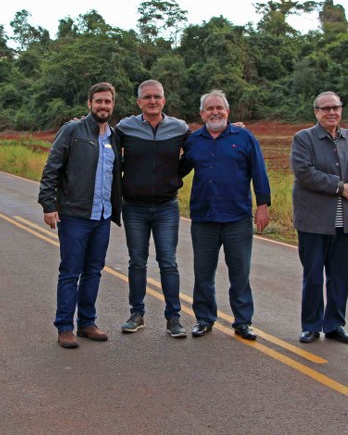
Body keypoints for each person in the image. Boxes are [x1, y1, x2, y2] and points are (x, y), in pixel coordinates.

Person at [179, 89, 271, 340]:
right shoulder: (193, 140)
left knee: (240, 272)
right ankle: (204, 319)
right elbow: (178, 171)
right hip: (204, 217)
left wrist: (262, 206)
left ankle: (243, 321)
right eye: (209, 108)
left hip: (237, 217)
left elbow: (259, 172)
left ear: (228, 112)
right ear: (201, 114)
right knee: (203, 272)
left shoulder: (244, 137)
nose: (215, 112)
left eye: (219, 108)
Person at [38, 82, 122, 349]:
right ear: (90, 104)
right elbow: (52, 166)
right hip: (74, 215)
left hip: (102, 217)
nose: (103, 106)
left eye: (107, 102)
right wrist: (48, 204)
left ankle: (87, 323)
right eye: (99, 101)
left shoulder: (115, 137)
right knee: (70, 272)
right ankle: (65, 327)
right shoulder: (73, 130)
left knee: (94, 271)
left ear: (113, 105)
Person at [290, 91, 348, 345]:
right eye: (325, 109)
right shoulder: (304, 139)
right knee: (313, 275)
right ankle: (311, 325)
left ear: (341, 110)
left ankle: (335, 324)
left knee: (340, 275)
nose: (331, 112)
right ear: (316, 112)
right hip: (313, 221)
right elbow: (304, 172)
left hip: (345, 221)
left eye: (335, 107)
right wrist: (339, 186)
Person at [115, 80, 191, 338]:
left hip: (166, 207)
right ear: (139, 102)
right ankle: (136, 314)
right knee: (137, 262)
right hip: (134, 206)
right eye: (147, 97)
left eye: (157, 96)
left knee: (168, 262)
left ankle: (174, 318)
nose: (152, 101)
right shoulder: (125, 127)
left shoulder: (179, 128)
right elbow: (108, 148)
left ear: (164, 100)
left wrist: (174, 178)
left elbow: (195, 152)